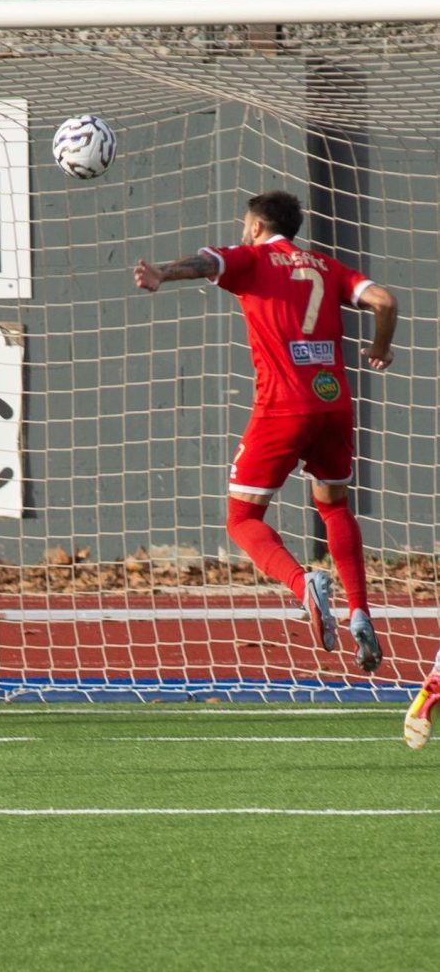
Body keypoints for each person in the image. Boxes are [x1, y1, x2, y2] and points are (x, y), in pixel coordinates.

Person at [134, 190, 397, 673]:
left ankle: (305, 587)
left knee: (240, 519)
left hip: (283, 406)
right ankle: (360, 610)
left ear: (255, 226)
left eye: (243, 225)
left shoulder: (254, 258)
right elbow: (384, 301)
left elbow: (206, 262)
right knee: (335, 506)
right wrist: (380, 349)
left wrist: (163, 274)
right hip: (334, 402)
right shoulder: (326, 266)